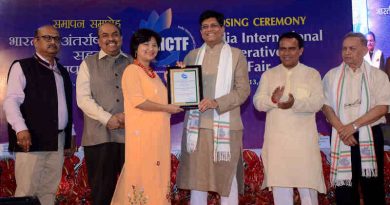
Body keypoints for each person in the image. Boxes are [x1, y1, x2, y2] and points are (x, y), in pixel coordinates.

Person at [176, 10, 250, 205]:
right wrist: (176, 79)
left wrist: (217, 102)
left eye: (214, 25)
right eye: (205, 27)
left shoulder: (235, 55)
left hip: (227, 128)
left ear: (222, 28)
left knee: (226, 180)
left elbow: (243, 91)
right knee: (197, 182)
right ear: (200, 31)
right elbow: (185, 94)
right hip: (196, 129)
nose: (209, 30)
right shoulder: (192, 56)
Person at [110, 28, 183, 205]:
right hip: (143, 138)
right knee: (143, 178)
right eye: (146, 44)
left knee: (157, 178)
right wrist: (166, 107)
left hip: (158, 137)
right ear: (136, 47)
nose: (151, 48)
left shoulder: (154, 75)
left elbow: (170, 100)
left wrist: (175, 78)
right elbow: (138, 101)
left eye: (154, 45)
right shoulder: (132, 70)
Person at [3, 25, 73, 205]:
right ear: (35, 41)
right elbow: (11, 101)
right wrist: (21, 129)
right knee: (27, 192)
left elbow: (64, 105)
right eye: (47, 38)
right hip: (31, 140)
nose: (53, 42)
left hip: (57, 140)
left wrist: (70, 134)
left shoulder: (62, 71)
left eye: (56, 39)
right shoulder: (22, 66)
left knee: (49, 191)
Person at [253, 32, 326, 205]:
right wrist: (273, 100)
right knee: (281, 192)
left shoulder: (312, 74)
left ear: (300, 51)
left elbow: (318, 102)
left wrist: (295, 103)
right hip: (278, 143)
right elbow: (257, 102)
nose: (287, 53)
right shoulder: (268, 75)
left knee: (308, 190)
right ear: (278, 51)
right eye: (283, 49)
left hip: (303, 143)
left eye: (292, 49)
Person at [322, 32, 390, 205]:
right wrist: (342, 129)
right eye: (344, 48)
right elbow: (325, 106)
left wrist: (353, 126)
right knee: (344, 188)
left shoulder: (377, 75)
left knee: (372, 185)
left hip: (369, 134)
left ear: (365, 50)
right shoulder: (331, 76)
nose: (347, 52)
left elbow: (382, 107)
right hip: (341, 135)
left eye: (352, 48)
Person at [76, 22, 131, 205]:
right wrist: (108, 119)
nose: (111, 39)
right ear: (99, 41)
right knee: (102, 193)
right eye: (105, 35)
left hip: (130, 138)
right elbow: (83, 99)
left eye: (115, 34)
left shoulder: (133, 63)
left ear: (121, 38)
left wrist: (128, 116)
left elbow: (142, 97)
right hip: (98, 138)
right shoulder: (88, 64)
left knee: (131, 191)